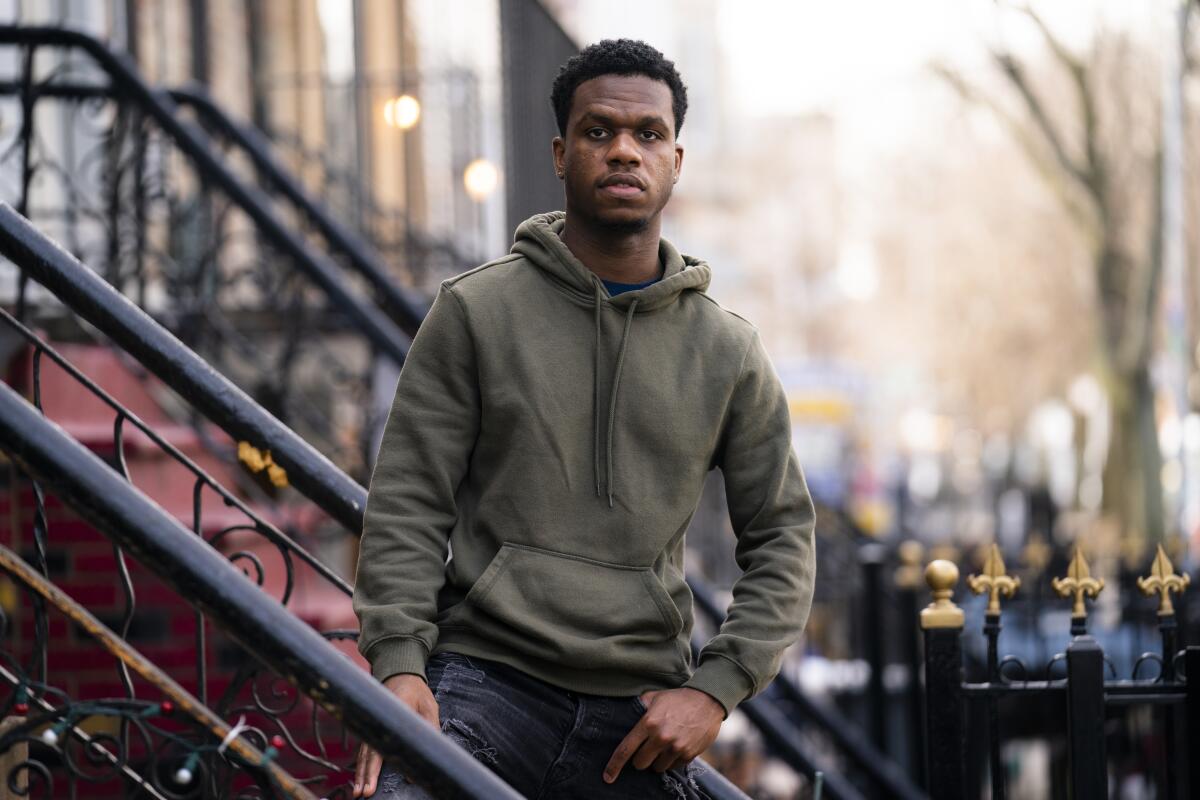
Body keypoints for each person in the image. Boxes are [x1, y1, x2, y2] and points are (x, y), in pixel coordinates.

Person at [351, 38, 815, 799]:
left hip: (639, 713)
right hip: (483, 683)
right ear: (562, 154)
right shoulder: (474, 312)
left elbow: (784, 536)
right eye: (600, 132)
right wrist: (399, 665)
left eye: (648, 135)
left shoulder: (727, 350)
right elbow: (407, 502)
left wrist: (715, 689)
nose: (625, 151)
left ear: (676, 160)